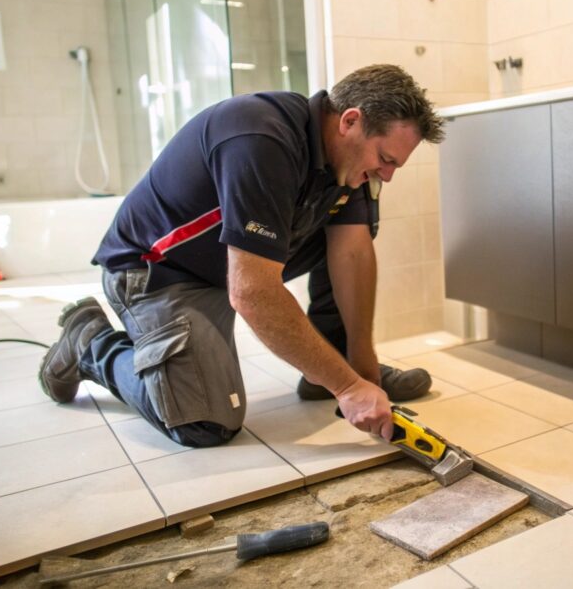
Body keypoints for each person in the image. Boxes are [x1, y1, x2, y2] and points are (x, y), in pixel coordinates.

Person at [37, 64, 445, 447]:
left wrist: (361, 367)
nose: (387, 174)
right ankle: (90, 342)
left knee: (350, 233)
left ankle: (328, 367)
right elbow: (252, 293)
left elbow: (352, 255)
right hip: (158, 270)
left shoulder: (347, 162)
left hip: (223, 267)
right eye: (385, 159)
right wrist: (350, 390)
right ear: (350, 121)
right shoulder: (261, 139)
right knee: (206, 424)